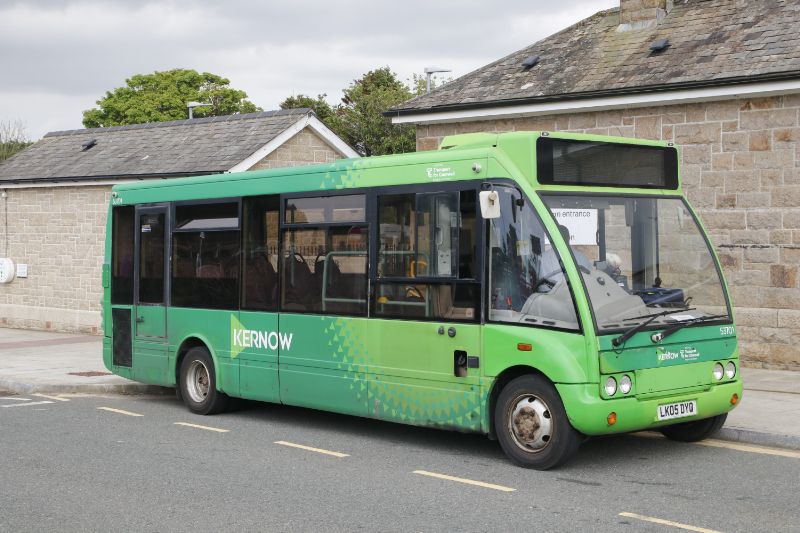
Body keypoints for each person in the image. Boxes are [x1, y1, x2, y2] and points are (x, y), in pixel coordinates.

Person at [536, 225, 592, 291]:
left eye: (563, 236)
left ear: (568, 238)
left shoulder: (581, 258)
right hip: (550, 296)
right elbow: (541, 285)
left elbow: (588, 282)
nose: (562, 239)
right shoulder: (543, 258)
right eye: (559, 237)